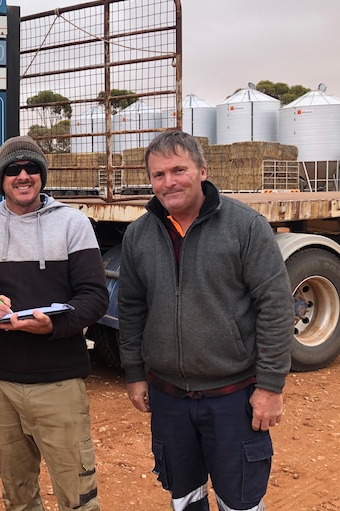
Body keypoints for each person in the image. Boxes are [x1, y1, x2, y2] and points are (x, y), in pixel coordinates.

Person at [117, 130, 294, 511]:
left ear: (202, 171)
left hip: (234, 397)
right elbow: (131, 308)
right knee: (184, 497)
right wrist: (134, 373)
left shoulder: (245, 227)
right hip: (169, 399)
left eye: (178, 170)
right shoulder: (139, 235)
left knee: (240, 500)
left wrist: (270, 385)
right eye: (158, 175)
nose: (169, 182)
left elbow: (276, 307)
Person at [0, 135, 109, 511]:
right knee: (18, 496)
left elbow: (94, 297)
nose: (23, 176)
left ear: (42, 175)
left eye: (32, 168)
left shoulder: (73, 224)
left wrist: (52, 326)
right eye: (13, 170)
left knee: (78, 498)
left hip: (58, 383)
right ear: (0, 178)